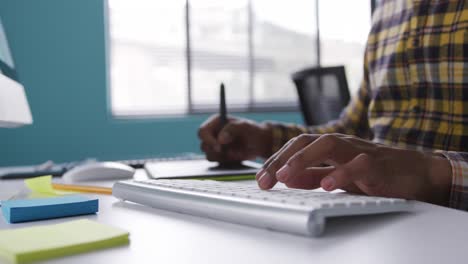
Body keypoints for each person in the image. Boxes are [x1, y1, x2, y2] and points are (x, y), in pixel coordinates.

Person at [198, 0, 468, 211]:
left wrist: (434, 174)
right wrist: (264, 138)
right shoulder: (387, 11)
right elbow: (351, 129)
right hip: (374, 215)